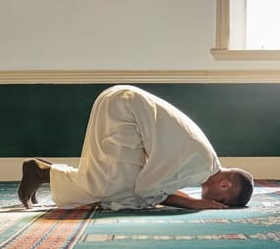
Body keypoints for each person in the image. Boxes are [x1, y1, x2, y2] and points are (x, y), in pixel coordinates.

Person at [18, 85, 253, 210]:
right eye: (221, 201)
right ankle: (39, 172)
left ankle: (43, 171)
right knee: (118, 192)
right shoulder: (199, 166)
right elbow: (147, 190)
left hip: (122, 102)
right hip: (123, 108)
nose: (215, 203)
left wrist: (193, 201)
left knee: (112, 185)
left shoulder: (204, 163)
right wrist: (194, 203)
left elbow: (157, 189)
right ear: (225, 184)